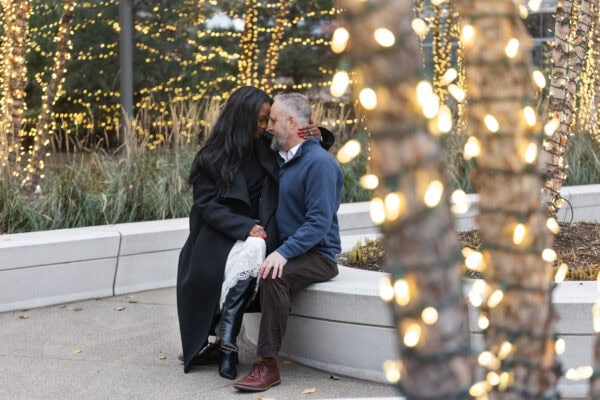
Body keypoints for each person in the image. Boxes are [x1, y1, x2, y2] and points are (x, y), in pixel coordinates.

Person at [176, 86, 333, 380]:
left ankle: (228, 344)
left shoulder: (266, 146)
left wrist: (317, 133)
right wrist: (243, 226)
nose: (266, 127)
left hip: (262, 233)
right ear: (242, 118)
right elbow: (207, 205)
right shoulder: (210, 157)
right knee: (224, 263)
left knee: (257, 250)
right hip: (219, 233)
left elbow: (302, 149)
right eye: (261, 120)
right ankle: (223, 344)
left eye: (269, 120)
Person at [233, 93, 344, 392]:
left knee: (274, 276)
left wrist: (282, 253)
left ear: (292, 122)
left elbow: (318, 223)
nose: (268, 126)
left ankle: (267, 366)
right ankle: (217, 343)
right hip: (290, 249)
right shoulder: (281, 159)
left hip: (318, 254)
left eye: (273, 120)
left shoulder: (319, 164)